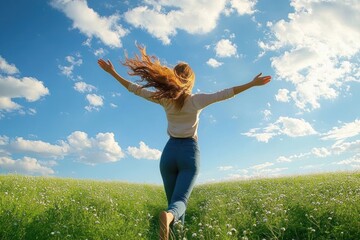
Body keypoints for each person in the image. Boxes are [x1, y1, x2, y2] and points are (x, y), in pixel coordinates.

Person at [98, 45, 271, 240]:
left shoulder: (164, 100)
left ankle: (172, 231)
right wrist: (251, 83)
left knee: (173, 201)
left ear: (173, 77)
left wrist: (112, 72)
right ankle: (168, 216)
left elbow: (135, 90)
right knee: (178, 203)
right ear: (190, 80)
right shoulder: (197, 100)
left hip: (169, 154)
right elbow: (226, 93)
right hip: (189, 152)